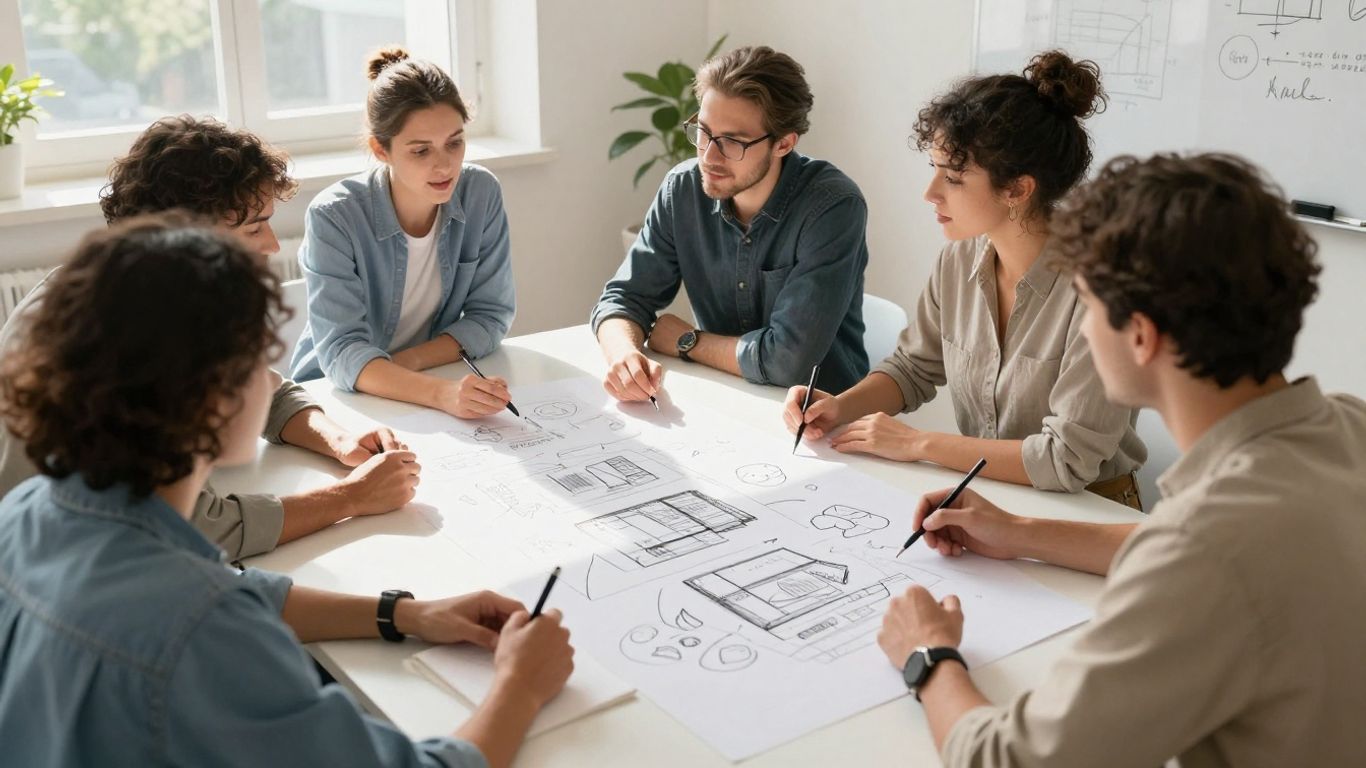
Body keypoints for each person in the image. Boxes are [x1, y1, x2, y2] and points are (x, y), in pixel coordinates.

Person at [0, 214, 575, 768]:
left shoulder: (26, 512)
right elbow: (209, 616)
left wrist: (407, 614)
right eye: (261, 359)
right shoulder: (206, 634)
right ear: (214, 396)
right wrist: (520, 688)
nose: (273, 379)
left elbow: (226, 591)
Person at [876, 153, 1366, 767]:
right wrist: (1019, 532)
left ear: (1140, 334)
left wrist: (927, 656)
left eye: (1086, 304)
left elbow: (1007, 759)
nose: (1082, 332)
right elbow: (1210, 551)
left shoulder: (1205, 551)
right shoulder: (1348, 425)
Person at [0, 115, 418, 558]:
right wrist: (352, 498)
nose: (274, 246)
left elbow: (264, 387)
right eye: (254, 227)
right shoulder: (136, 339)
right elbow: (200, 529)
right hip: (53, 562)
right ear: (192, 236)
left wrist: (338, 439)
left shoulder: (128, 282)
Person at [783, 51, 1145, 507]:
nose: (929, 193)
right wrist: (839, 406)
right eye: (934, 170)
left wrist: (918, 444)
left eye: (953, 178)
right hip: (990, 500)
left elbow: (1065, 460)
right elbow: (913, 369)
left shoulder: (1100, 291)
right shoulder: (958, 260)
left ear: (1017, 189)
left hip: (1094, 512)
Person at [591, 45, 870, 400]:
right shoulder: (682, 190)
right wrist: (624, 356)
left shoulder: (833, 207)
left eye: (732, 142)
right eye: (703, 132)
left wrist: (687, 341)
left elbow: (788, 363)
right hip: (725, 402)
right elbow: (622, 300)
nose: (708, 156)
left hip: (819, 420)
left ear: (783, 144)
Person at [290, 47, 517, 420]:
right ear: (381, 150)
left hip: (424, 379)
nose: (444, 165)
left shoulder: (480, 193)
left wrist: (409, 363)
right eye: (420, 151)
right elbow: (342, 351)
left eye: (455, 142)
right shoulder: (334, 216)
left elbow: (490, 315)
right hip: (341, 399)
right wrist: (443, 395)